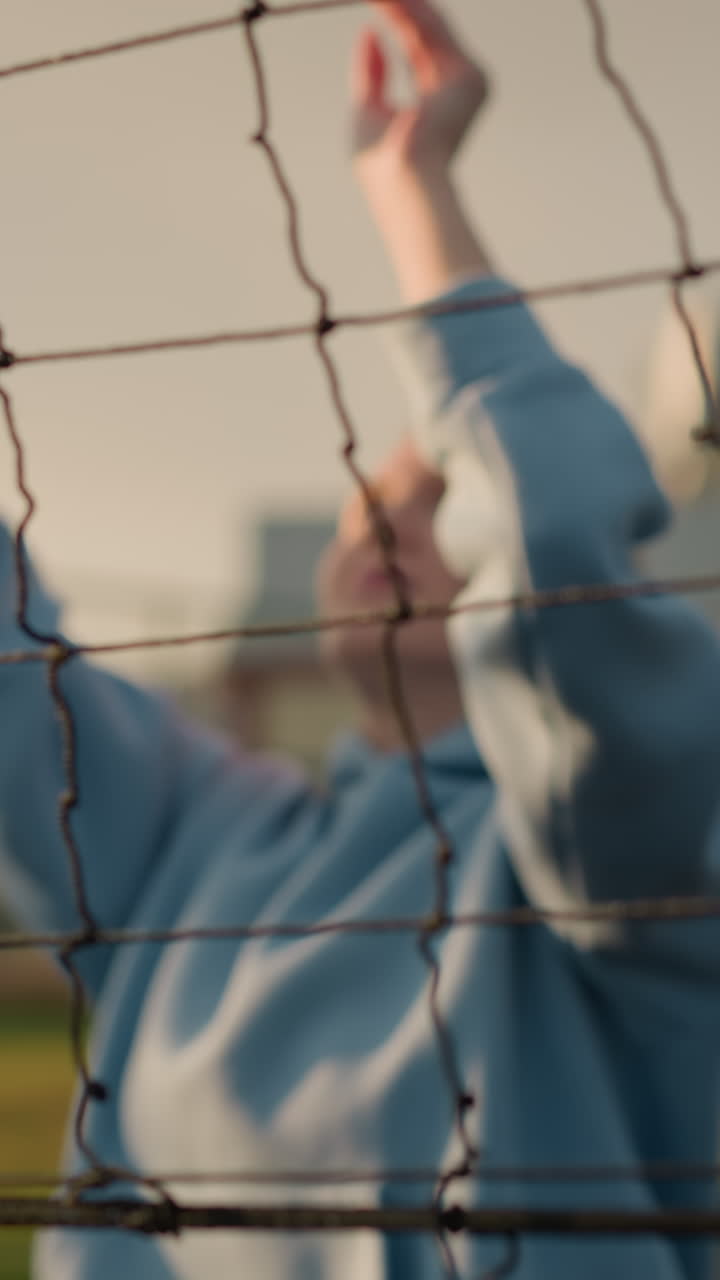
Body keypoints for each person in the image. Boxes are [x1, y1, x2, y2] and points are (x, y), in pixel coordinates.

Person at [1, 1, 719, 1277]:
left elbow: (560, 553)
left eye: (440, 493)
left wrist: (411, 190)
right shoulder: (200, 846)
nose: (394, 514)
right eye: (368, 499)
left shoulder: (611, 850)